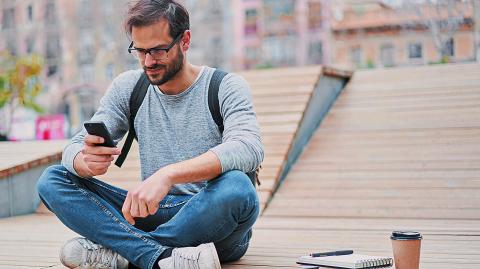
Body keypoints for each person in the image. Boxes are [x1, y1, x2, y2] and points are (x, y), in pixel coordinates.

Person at [36, 1, 264, 269]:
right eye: (140, 51)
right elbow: (73, 147)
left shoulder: (225, 86)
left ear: (185, 40)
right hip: (153, 211)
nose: (148, 61)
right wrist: (83, 161)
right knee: (53, 179)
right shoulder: (130, 87)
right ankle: (160, 258)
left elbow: (248, 147)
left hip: (212, 218)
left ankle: (126, 254)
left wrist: (167, 175)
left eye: (157, 50)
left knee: (238, 188)